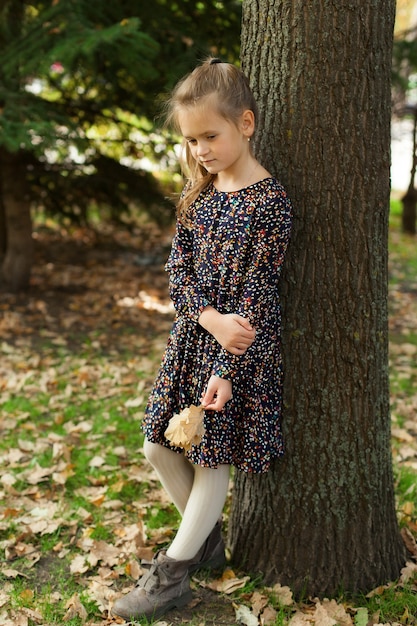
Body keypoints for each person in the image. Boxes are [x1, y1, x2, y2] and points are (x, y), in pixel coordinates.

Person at [112, 57, 293, 622]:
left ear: (246, 122)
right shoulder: (200, 194)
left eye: (210, 136)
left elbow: (259, 294)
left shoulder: (270, 203)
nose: (201, 150)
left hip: (239, 352)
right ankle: (206, 545)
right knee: (157, 444)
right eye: (191, 141)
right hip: (193, 338)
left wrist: (225, 365)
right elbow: (178, 270)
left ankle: (172, 577)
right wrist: (206, 316)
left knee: (212, 458)